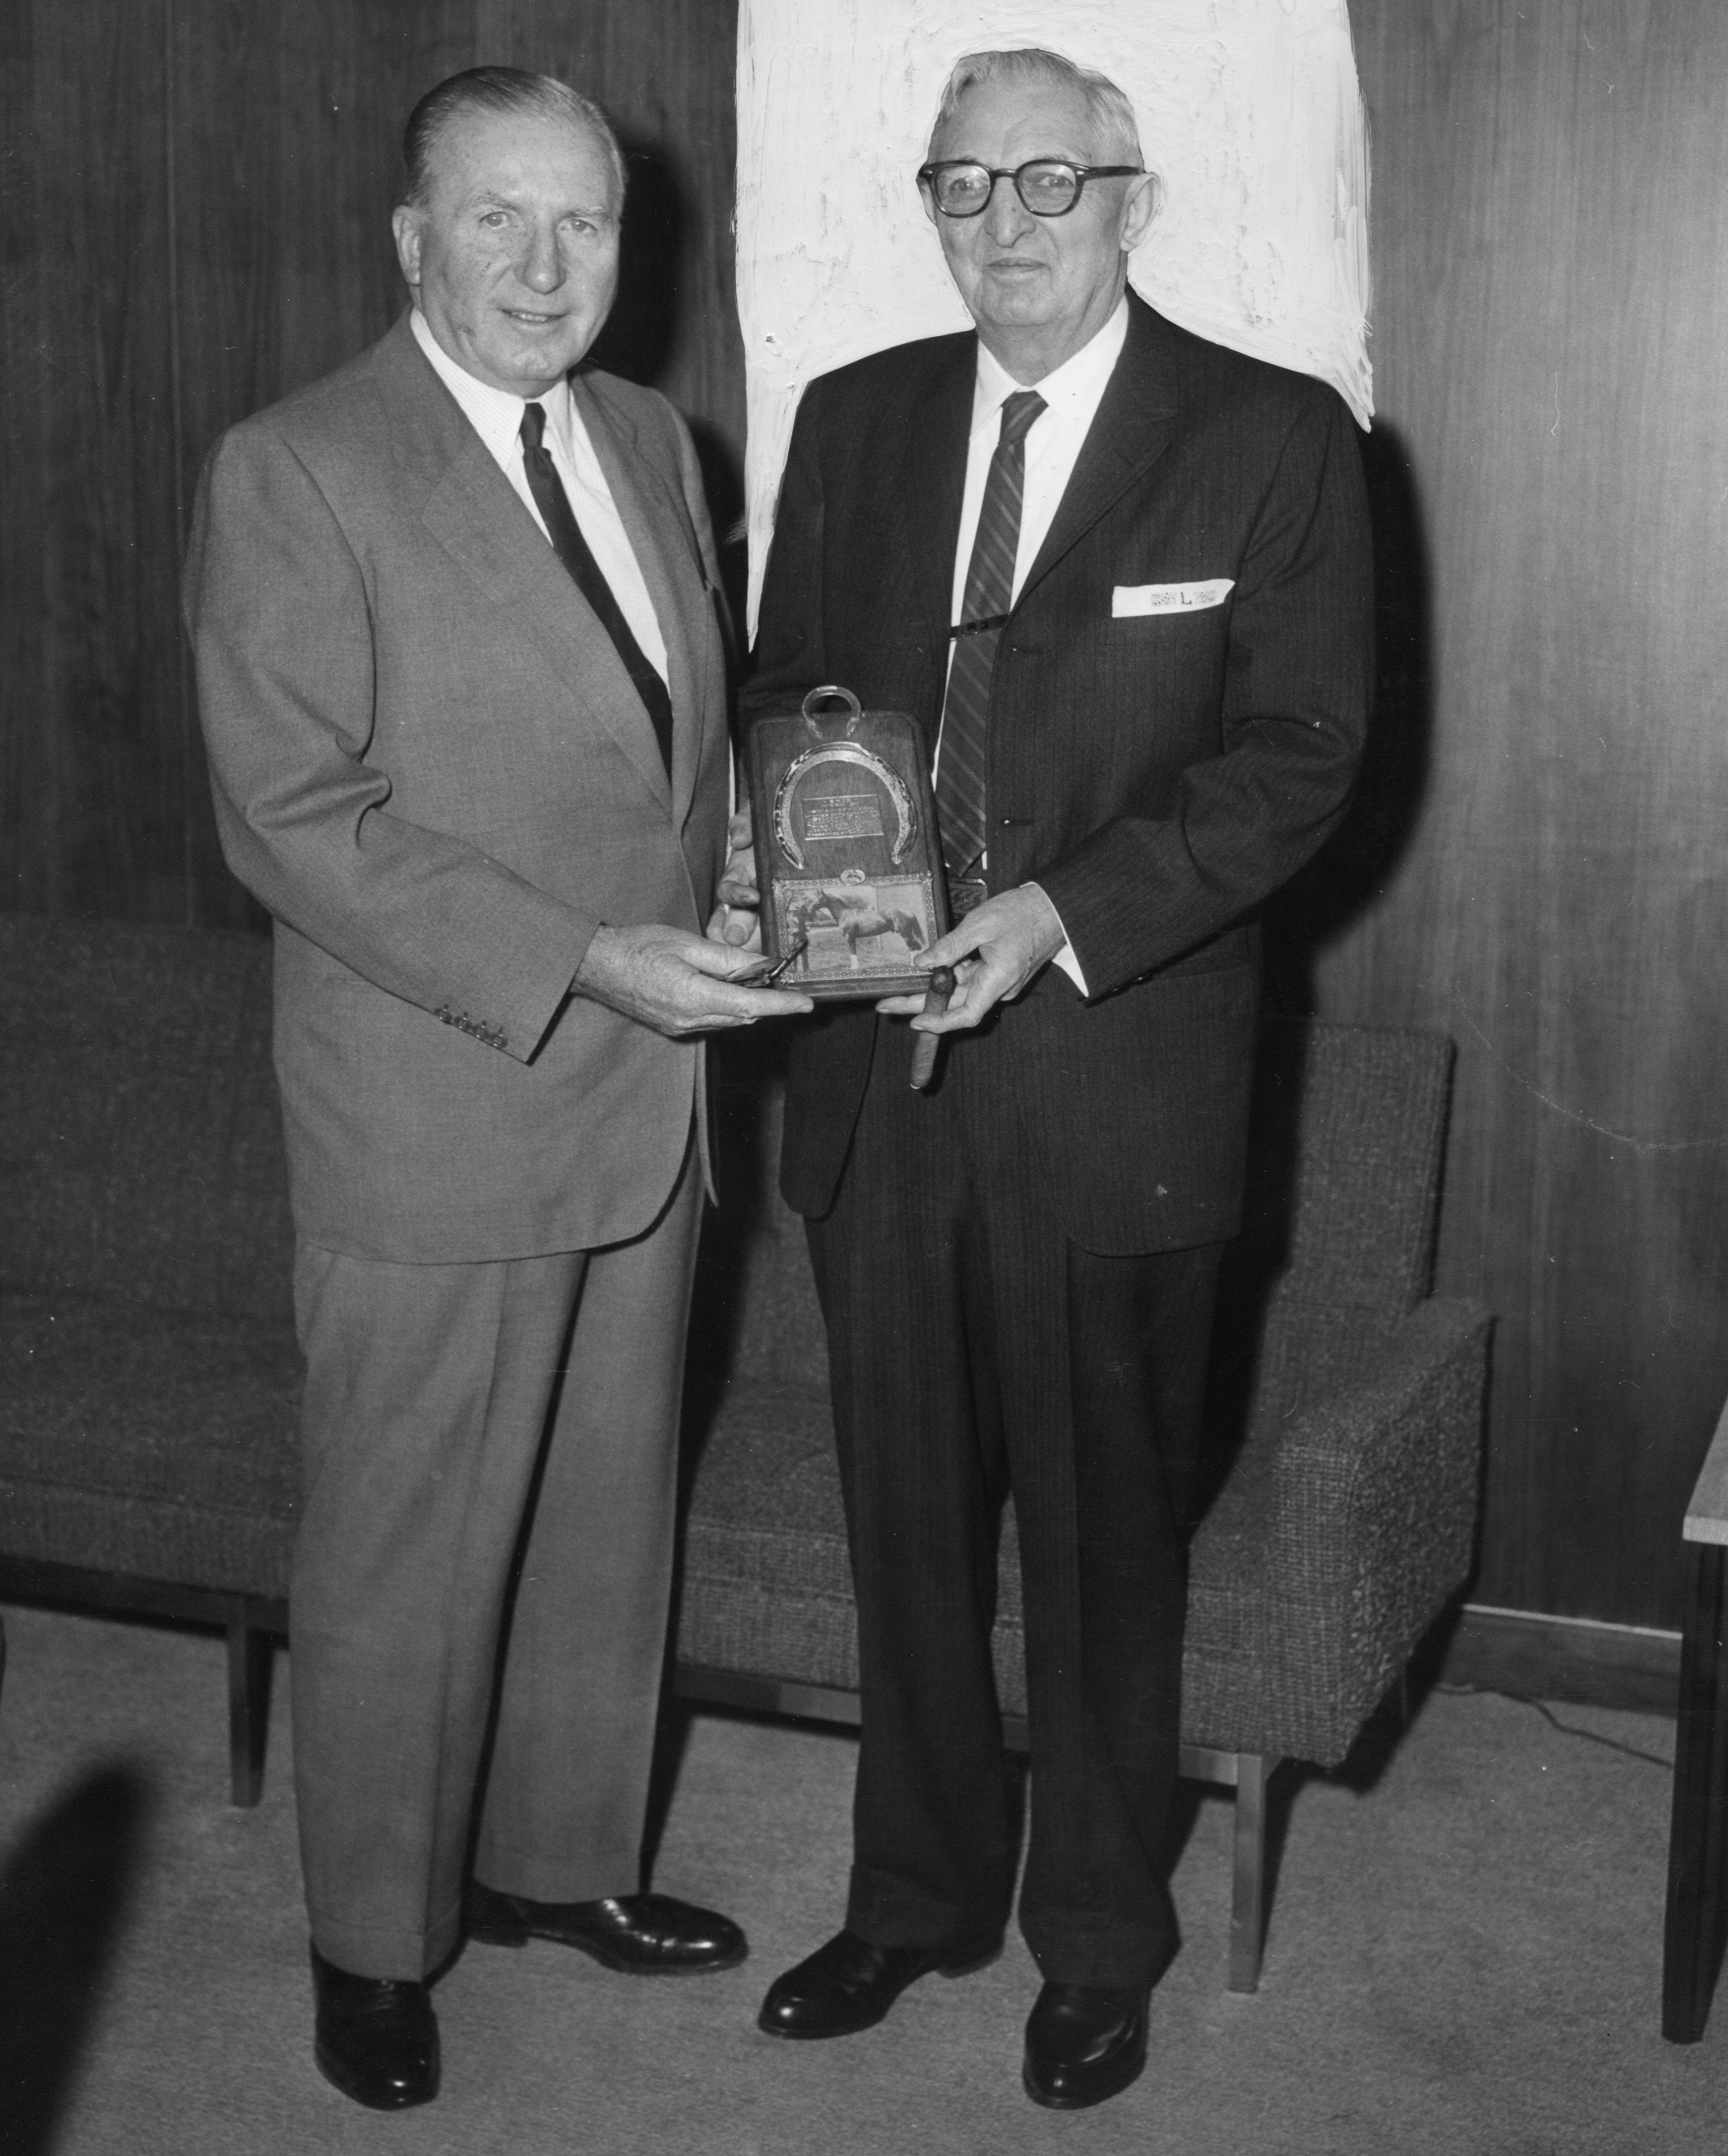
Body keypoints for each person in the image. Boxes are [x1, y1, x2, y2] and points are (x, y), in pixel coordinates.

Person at [728, 46, 1373, 2112]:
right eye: (963, 189)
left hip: (1117, 1083)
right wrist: (789, 851)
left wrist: (1056, 911)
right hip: (875, 1080)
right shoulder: (858, 418)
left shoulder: (1271, 442)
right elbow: (784, 690)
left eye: (1049, 186)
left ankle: (1097, 1942)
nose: (1005, 229)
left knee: (1107, 1548)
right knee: (902, 1522)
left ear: (1133, 199)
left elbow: (1300, 759)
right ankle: (912, 1895)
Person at [184, 66, 810, 2112]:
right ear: (411, 241)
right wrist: (582, 957)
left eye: (589, 224)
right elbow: (293, 814)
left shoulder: (649, 436)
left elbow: (663, 746)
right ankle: (372, 1939)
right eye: (498, 222)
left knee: (601, 1525)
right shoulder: (297, 467)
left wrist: (731, 861)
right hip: (444, 1096)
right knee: (404, 1549)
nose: (548, 267)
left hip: (652, 1105)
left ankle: (557, 1866)